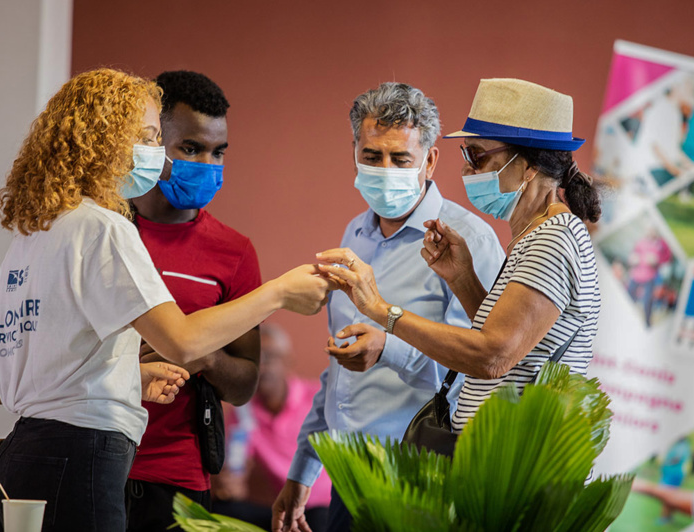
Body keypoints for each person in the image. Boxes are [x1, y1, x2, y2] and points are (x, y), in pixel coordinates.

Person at [0, 68, 332, 532]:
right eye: (148, 138)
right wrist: (281, 292)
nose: (154, 155)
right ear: (106, 141)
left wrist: (128, 376)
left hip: (21, 459)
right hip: (82, 458)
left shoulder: (33, 236)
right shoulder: (106, 228)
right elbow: (182, 341)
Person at [273, 82, 504, 532]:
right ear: (354, 151)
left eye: (400, 159)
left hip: (422, 479)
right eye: (372, 156)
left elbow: (480, 370)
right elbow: (337, 373)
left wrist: (390, 348)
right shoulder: (354, 235)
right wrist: (303, 470)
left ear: (430, 160)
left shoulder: (467, 240)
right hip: (347, 475)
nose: (384, 170)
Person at [317, 78, 602, 434]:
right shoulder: (538, 236)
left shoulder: (553, 241)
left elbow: (492, 357)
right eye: (467, 155)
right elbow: (515, 344)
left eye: (477, 156)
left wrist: (379, 310)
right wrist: (464, 279)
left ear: (528, 166)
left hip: (521, 462)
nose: (467, 169)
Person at [124, 71, 262, 530]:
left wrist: (199, 353)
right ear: (150, 141)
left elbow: (244, 385)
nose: (207, 163)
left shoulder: (234, 252)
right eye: (190, 148)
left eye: (218, 152)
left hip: (180, 477)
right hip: (96, 456)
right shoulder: (103, 232)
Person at [210, 324, 332, 530]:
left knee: (319, 518)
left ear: (288, 361)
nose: (261, 368)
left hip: (324, 508)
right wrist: (231, 483)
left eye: (268, 358)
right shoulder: (243, 413)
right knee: (221, 511)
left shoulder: (318, 398)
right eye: (254, 360)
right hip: (283, 513)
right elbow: (236, 463)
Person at [626, 227, 673, 327]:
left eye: (653, 231)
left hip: (649, 277)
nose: (651, 233)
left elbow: (667, 257)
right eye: (649, 231)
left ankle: (647, 323)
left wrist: (656, 261)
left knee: (647, 302)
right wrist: (633, 259)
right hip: (636, 275)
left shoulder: (660, 244)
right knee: (628, 296)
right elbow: (632, 255)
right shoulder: (640, 242)